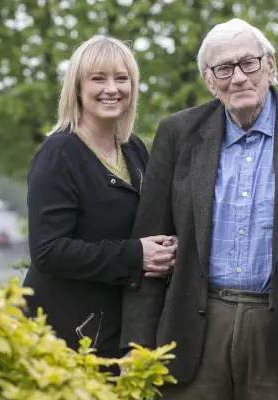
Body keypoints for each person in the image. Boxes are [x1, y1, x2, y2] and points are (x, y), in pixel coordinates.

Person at [120, 18, 278, 400]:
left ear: (270, 65)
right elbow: (152, 244)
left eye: (248, 63)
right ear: (209, 80)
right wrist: (137, 341)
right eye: (223, 68)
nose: (238, 77)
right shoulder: (177, 133)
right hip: (194, 328)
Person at [23, 35, 177, 367]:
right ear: (77, 88)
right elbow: (48, 251)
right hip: (66, 335)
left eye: (122, 78)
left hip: (115, 328)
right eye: (98, 78)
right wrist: (136, 255)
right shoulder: (59, 153)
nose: (112, 88)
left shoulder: (133, 148)